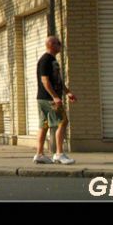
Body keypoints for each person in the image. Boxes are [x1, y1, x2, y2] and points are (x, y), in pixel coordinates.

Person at [33, 36, 77, 165]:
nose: (61, 45)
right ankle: (59, 154)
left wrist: (67, 92)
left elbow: (57, 79)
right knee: (63, 122)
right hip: (48, 99)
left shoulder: (52, 60)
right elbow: (45, 80)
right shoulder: (45, 60)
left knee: (44, 125)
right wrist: (55, 97)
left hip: (44, 98)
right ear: (51, 44)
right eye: (59, 43)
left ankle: (39, 154)